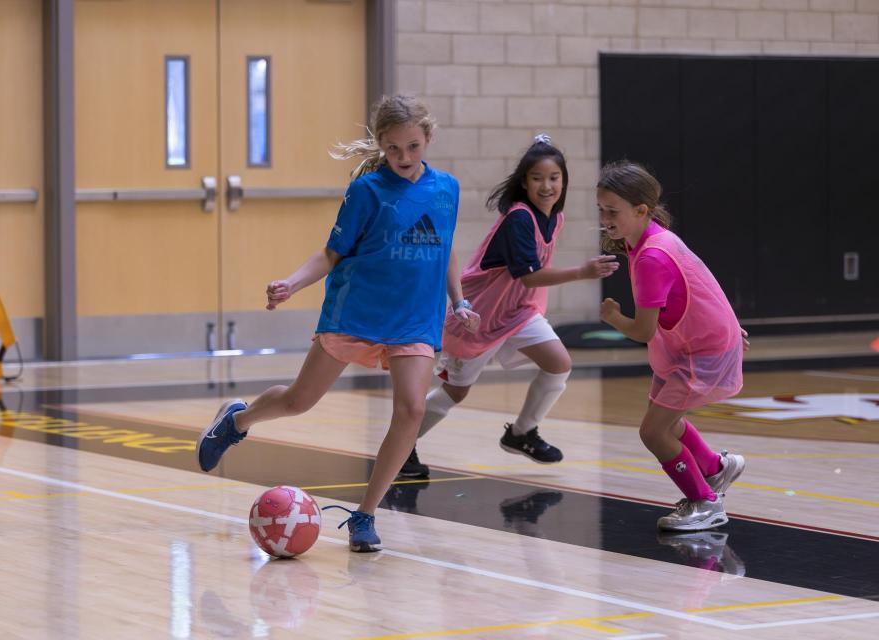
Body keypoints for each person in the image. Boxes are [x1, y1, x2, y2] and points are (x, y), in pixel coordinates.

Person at [195, 94, 478, 552]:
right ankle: (237, 421)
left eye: (412, 146)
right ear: (380, 146)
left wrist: (459, 300)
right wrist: (291, 283)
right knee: (297, 401)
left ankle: (365, 515)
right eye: (392, 149)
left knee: (412, 410)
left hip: (415, 321)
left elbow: (444, 248)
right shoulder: (366, 191)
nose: (403, 158)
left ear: (427, 137)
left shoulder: (447, 188)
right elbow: (331, 253)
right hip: (357, 313)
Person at [399, 134, 618, 479]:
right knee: (455, 391)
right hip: (480, 316)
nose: (547, 186)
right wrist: (583, 272)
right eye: (537, 178)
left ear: (564, 180)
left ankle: (521, 433)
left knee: (559, 363)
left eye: (554, 178)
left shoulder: (554, 218)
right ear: (524, 182)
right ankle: (403, 446)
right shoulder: (519, 218)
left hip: (519, 313)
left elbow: (526, 285)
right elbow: (530, 277)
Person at [596, 161, 747, 531]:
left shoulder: (651, 256)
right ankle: (715, 467)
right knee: (666, 420)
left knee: (653, 431)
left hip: (702, 351)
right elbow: (702, 280)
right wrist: (730, 322)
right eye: (601, 209)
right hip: (690, 344)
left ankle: (705, 502)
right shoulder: (650, 238)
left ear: (641, 210)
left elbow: (644, 331)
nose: (605, 217)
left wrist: (613, 317)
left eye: (612, 211)